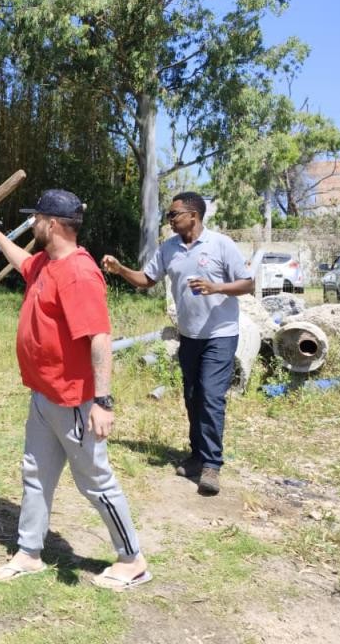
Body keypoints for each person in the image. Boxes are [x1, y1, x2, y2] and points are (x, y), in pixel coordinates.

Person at [0, 189, 150, 590]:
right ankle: (29, 552)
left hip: (73, 401)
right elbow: (21, 262)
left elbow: (100, 338)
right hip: (44, 397)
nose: (32, 224)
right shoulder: (46, 264)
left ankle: (133, 559)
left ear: (51, 224)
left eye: (35, 219)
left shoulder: (78, 273)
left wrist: (102, 402)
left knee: (96, 483)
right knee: (35, 475)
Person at [101, 192, 254, 496]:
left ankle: (212, 464)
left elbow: (248, 283)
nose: (169, 220)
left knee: (211, 396)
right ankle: (197, 455)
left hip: (220, 334)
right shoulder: (169, 248)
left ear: (193, 215)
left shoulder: (220, 244)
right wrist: (120, 270)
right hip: (189, 336)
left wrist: (216, 287)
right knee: (193, 396)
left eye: (173, 214)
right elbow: (147, 279)